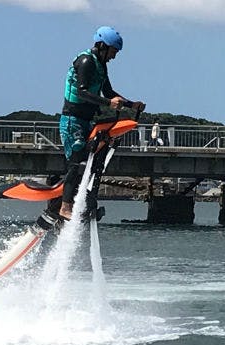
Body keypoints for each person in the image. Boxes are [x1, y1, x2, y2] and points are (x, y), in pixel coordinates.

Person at [57, 26, 145, 220]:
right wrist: (108, 103)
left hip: (87, 120)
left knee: (94, 161)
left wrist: (132, 105)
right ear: (103, 45)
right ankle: (65, 206)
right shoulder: (86, 61)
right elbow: (82, 92)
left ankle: (86, 202)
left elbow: (109, 92)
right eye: (113, 51)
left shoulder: (101, 65)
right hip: (72, 121)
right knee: (77, 163)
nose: (114, 56)